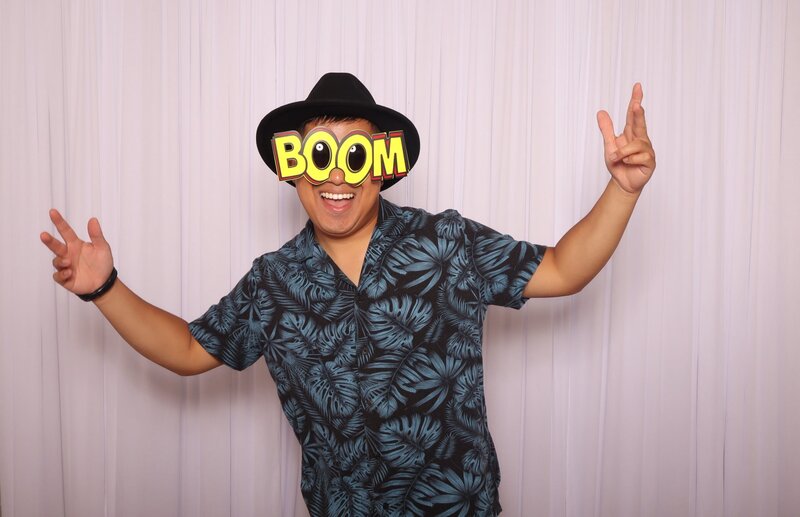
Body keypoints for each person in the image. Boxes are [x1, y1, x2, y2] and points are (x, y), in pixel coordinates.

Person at [40, 72, 655, 516]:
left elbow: (563, 269)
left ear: (384, 164)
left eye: (354, 154)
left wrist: (622, 191)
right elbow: (187, 348)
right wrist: (106, 289)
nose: (336, 174)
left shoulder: (446, 242)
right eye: (317, 153)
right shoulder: (274, 282)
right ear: (292, 167)